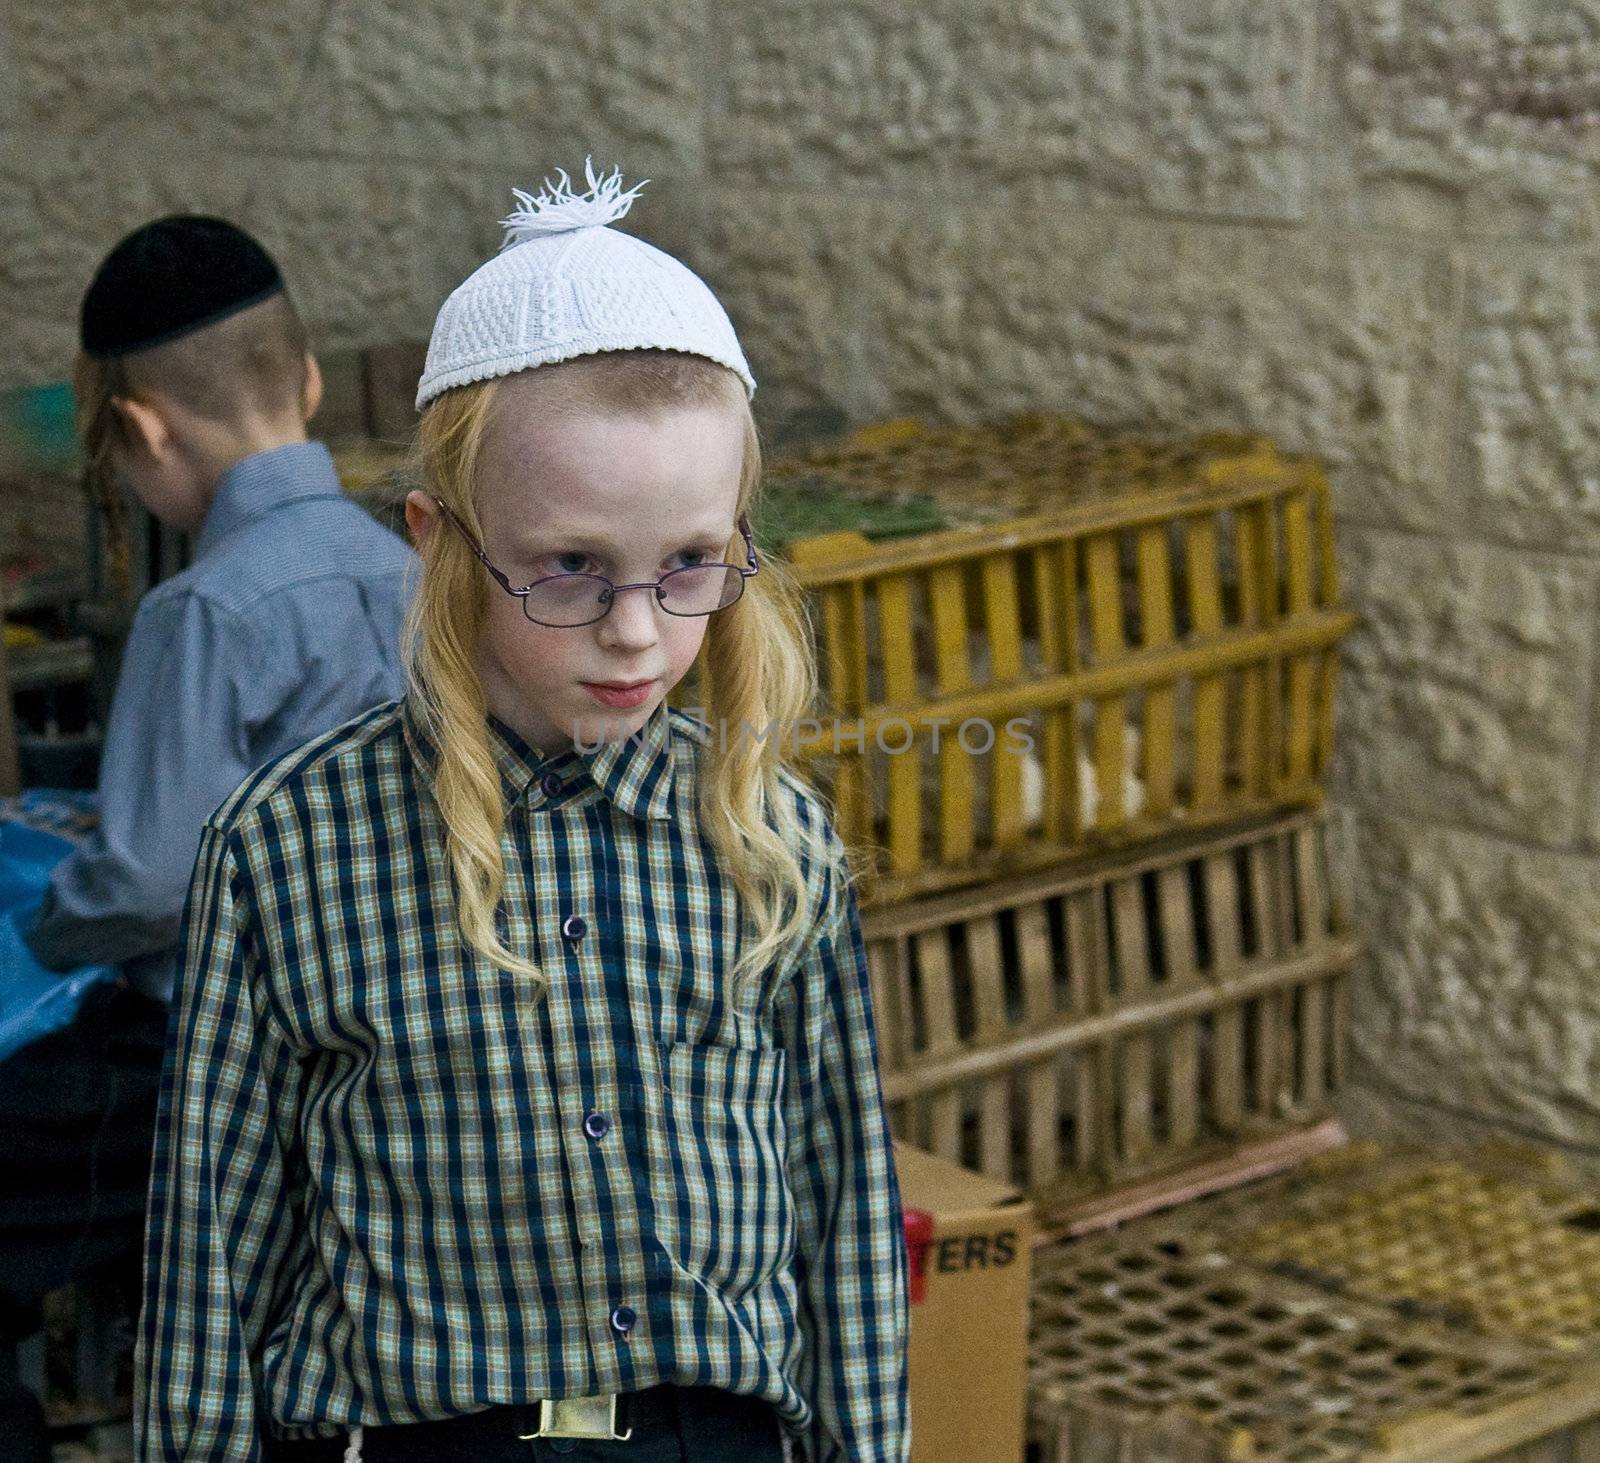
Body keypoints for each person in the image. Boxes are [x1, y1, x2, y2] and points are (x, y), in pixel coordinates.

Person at [136, 164, 910, 1462]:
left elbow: (846, 1217)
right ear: (439, 539)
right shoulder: (283, 846)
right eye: (569, 565)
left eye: (690, 565)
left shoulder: (775, 841)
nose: (635, 629)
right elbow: (210, 1252)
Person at [0, 216, 415, 1460]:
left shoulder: (206, 608)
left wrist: (44, 916)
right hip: (382, 1044)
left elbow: (148, 877)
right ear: (309, 381)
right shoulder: (405, 570)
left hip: (210, 1074)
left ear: (142, 431)